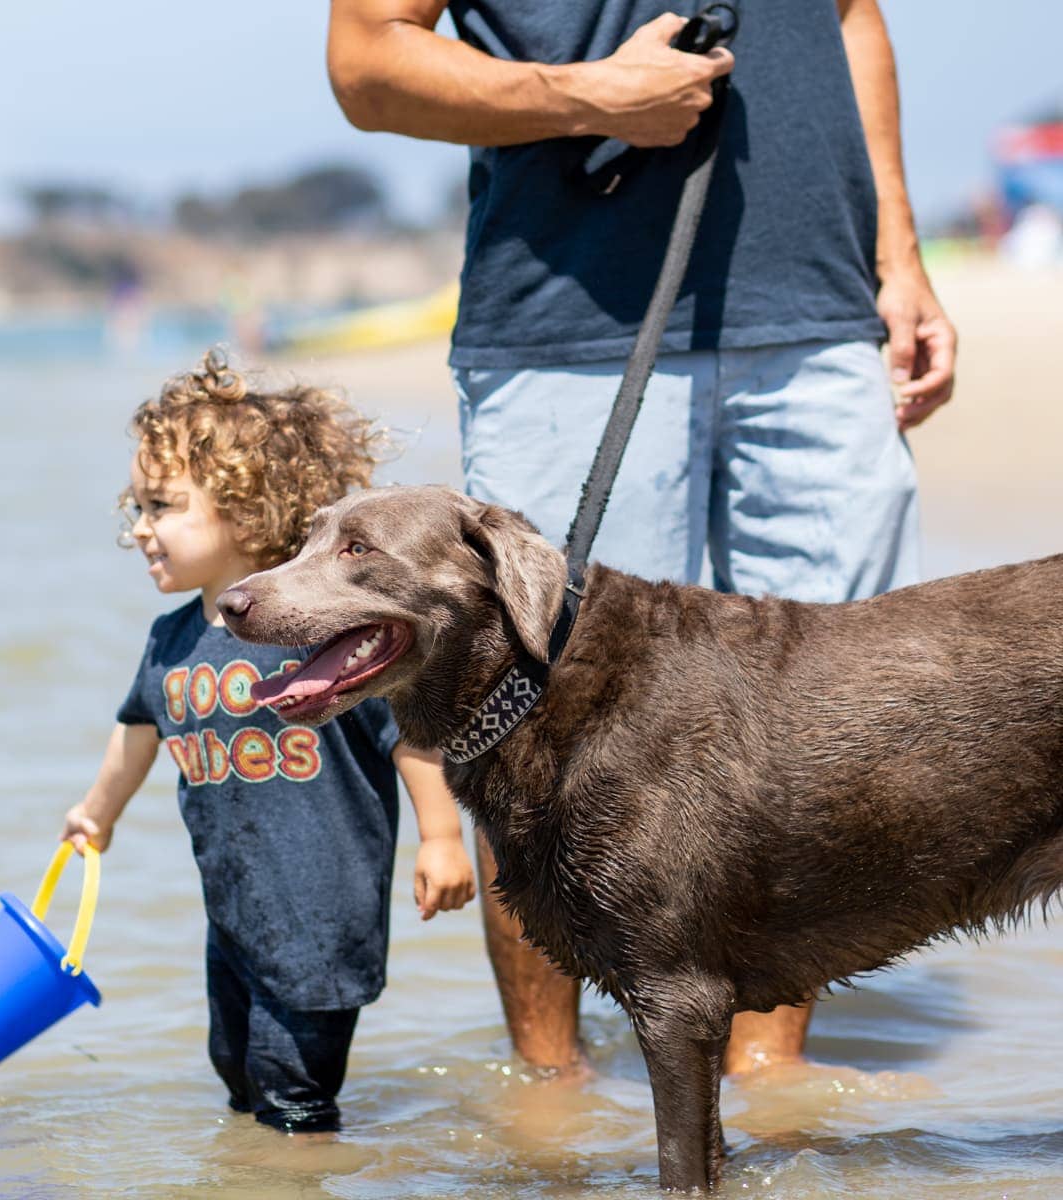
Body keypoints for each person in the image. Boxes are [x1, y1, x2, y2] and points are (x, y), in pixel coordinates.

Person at [325, 0, 959, 1077]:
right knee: (533, 728)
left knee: (818, 739)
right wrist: (586, 95)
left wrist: (898, 254)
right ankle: (554, 1121)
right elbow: (365, 62)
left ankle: (766, 1099)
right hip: (567, 331)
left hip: (821, 319)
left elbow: (852, 15)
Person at [61, 350, 476, 1133]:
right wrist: (96, 813)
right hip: (234, 912)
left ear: (248, 512)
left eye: (163, 507)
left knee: (295, 1099)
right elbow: (139, 729)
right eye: (138, 509)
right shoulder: (170, 640)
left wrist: (442, 837)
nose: (142, 530)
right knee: (237, 1075)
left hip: (322, 916)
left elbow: (411, 734)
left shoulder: (317, 633)